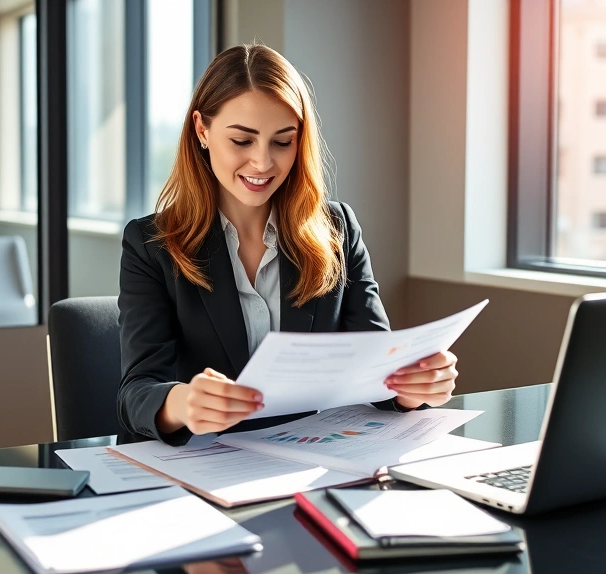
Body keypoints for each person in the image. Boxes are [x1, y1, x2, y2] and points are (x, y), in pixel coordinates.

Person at [118, 44, 458, 446]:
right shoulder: (151, 243)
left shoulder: (337, 229)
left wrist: (410, 389)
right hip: (203, 465)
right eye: (242, 141)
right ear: (202, 130)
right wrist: (181, 402)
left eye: (282, 142)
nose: (263, 163)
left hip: (311, 461)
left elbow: (375, 367)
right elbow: (135, 392)